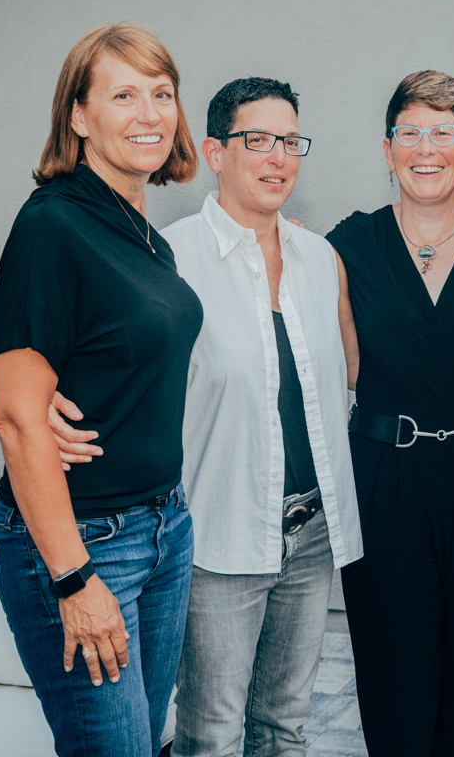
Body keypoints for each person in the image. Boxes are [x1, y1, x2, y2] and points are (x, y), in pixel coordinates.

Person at [52, 76, 363, 757]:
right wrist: (46, 397)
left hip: (309, 533)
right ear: (217, 154)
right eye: (259, 140)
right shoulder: (168, 256)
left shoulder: (320, 257)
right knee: (213, 734)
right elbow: (100, 361)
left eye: (290, 141)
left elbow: (350, 373)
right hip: (220, 534)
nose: (278, 157)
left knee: (285, 725)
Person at [0, 22, 202, 757]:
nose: (149, 114)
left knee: (150, 741)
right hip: (86, 542)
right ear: (79, 116)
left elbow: (102, 353)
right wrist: (75, 579)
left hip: (163, 527)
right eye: (124, 95)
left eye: (162, 94)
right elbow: (16, 416)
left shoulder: (146, 234)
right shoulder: (53, 223)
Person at [325, 69, 454, 757]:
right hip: (385, 484)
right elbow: (323, 359)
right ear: (387, 150)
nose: (426, 148)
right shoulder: (344, 247)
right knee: (395, 678)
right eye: (409, 133)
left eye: (442, 133)